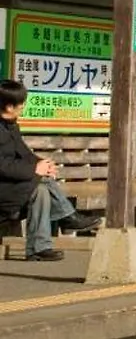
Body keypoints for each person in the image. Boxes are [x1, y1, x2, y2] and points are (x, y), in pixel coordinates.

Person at [0, 79, 103, 261]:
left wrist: (43, 164)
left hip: (12, 187)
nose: (23, 106)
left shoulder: (11, 126)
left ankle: (39, 249)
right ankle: (68, 218)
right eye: (21, 103)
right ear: (9, 107)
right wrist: (35, 169)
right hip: (4, 190)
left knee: (40, 190)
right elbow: (3, 166)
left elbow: (24, 153)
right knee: (41, 181)